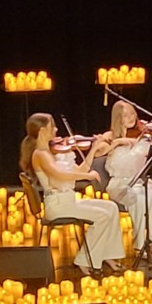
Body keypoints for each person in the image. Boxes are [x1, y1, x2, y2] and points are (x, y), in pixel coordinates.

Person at [22, 112, 124, 275]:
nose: (56, 130)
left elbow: (79, 169)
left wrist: (94, 148)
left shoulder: (51, 151)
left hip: (68, 201)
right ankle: (84, 260)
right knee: (103, 217)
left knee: (111, 207)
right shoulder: (40, 155)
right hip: (58, 205)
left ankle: (107, 255)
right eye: (51, 127)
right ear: (42, 131)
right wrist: (87, 176)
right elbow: (59, 176)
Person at [103, 100, 152, 256]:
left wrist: (137, 142)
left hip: (139, 182)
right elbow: (98, 153)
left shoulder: (144, 136)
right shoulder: (110, 137)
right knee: (139, 199)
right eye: (126, 115)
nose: (131, 117)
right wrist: (118, 142)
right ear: (118, 119)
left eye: (133, 113)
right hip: (119, 185)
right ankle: (140, 245)